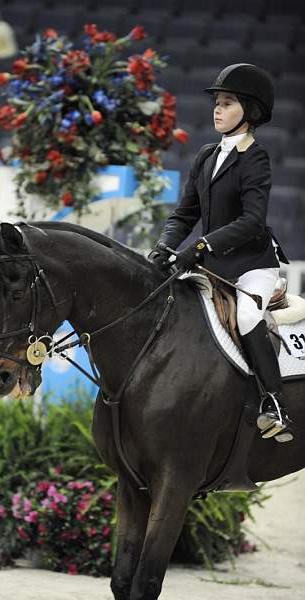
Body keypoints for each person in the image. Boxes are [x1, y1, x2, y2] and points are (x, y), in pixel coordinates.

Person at [149, 63, 293, 443]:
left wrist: (200, 245)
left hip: (252, 266)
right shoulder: (207, 155)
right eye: (217, 102)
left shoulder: (255, 158)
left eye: (227, 103)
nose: (217, 109)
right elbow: (185, 214)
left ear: (249, 110)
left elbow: (252, 221)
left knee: (246, 316)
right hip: (214, 265)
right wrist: (164, 246)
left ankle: (274, 402)